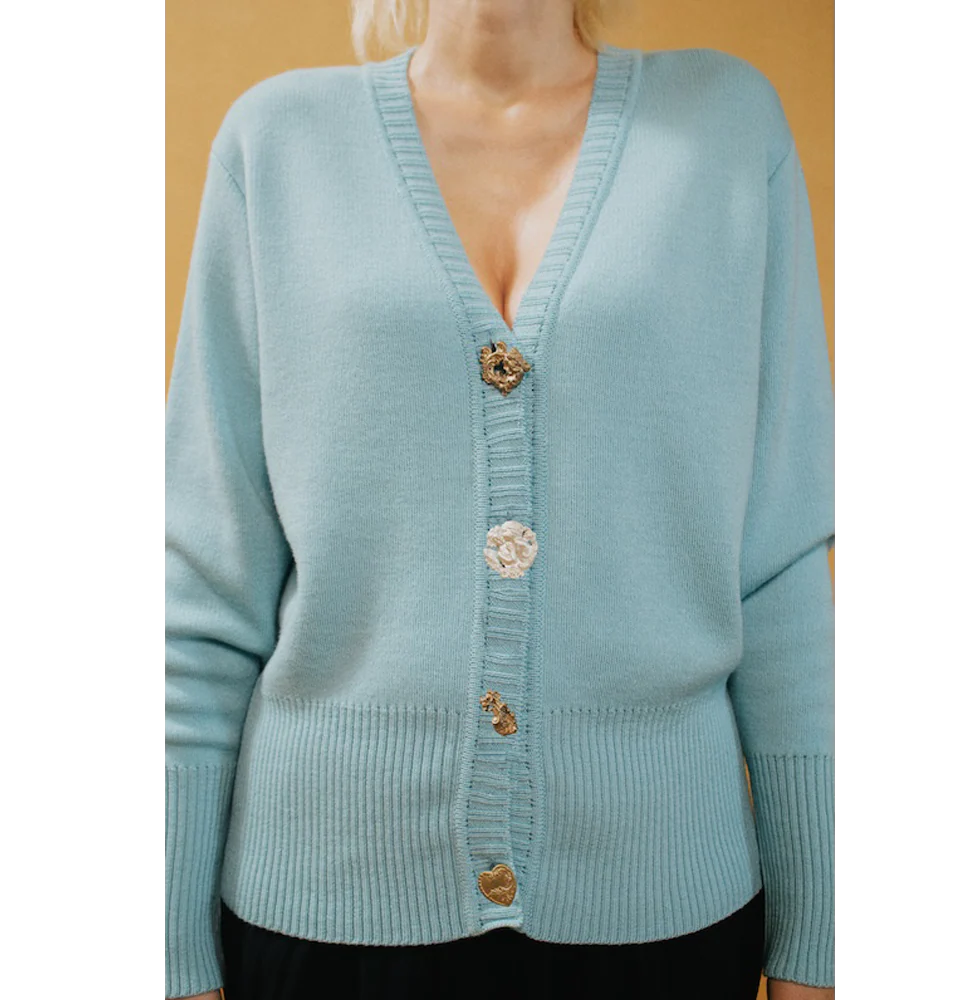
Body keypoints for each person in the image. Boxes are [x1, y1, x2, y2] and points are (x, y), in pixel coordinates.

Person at [161, 1, 838, 998]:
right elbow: (204, 574)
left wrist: (823, 936)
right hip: (325, 909)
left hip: (661, 905)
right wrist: (163, 949)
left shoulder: (727, 129)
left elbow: (779, 561)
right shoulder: (278, 143)